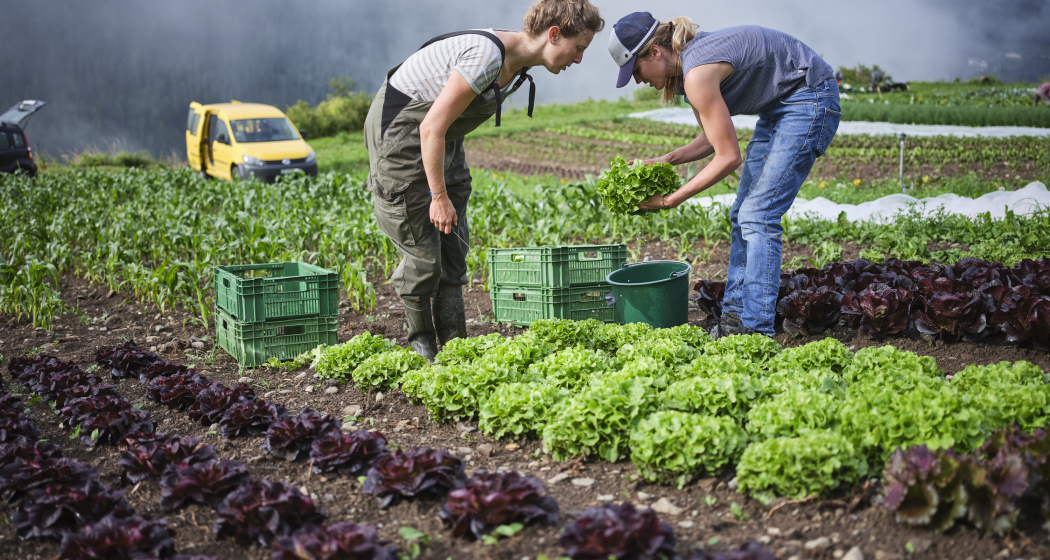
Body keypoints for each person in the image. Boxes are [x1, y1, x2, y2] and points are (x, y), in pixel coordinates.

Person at [364, 0, 604, 360]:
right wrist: (438, 195)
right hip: (403, 140)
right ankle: (422, 345)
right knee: (423, 257)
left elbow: (442, 127)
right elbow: (430, 126)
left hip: (443, 142)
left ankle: (456, 346)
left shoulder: (513, 61)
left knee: (453, 248)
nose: (580, 58)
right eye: (579, 48)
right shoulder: (486, 56)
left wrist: (447, 191)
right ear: (553, 35)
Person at [608, 13, 840, 339]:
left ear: (654, 53)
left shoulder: (696, 73)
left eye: (635, 70)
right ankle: (733, 319)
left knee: (758, 215)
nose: (636, 80)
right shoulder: (689, 76)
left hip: (809, 97)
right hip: (779, 107)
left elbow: (729, 156)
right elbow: (710, 139)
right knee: (740, 215)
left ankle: (755, 332)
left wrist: (671, 199)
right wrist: (663, 160)